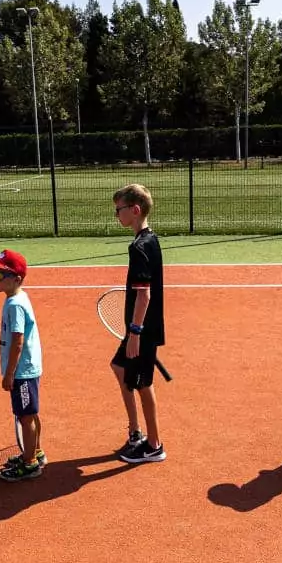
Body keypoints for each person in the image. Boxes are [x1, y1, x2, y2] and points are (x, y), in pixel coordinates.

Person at [111, 184, 166, 464]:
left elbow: (144, 294)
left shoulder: (139, 247)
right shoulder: (150, 239)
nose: (116, 215)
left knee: (144, 384)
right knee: (119, 367)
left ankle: (154, 445)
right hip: (144, 329)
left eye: (119, 210)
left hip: (142, 330)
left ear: (134, 210)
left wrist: (135, 332)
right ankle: (136, 431)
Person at [0, 249, 45, 481]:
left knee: (25, 417)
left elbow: (18, 342)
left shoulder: (14, 305)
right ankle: (36, 451)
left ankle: (30, 463)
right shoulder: (18, 298)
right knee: (30, 414)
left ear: (17, 279)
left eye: (1, 275)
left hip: (22, 372)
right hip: (27, 369)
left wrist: (9, 374)